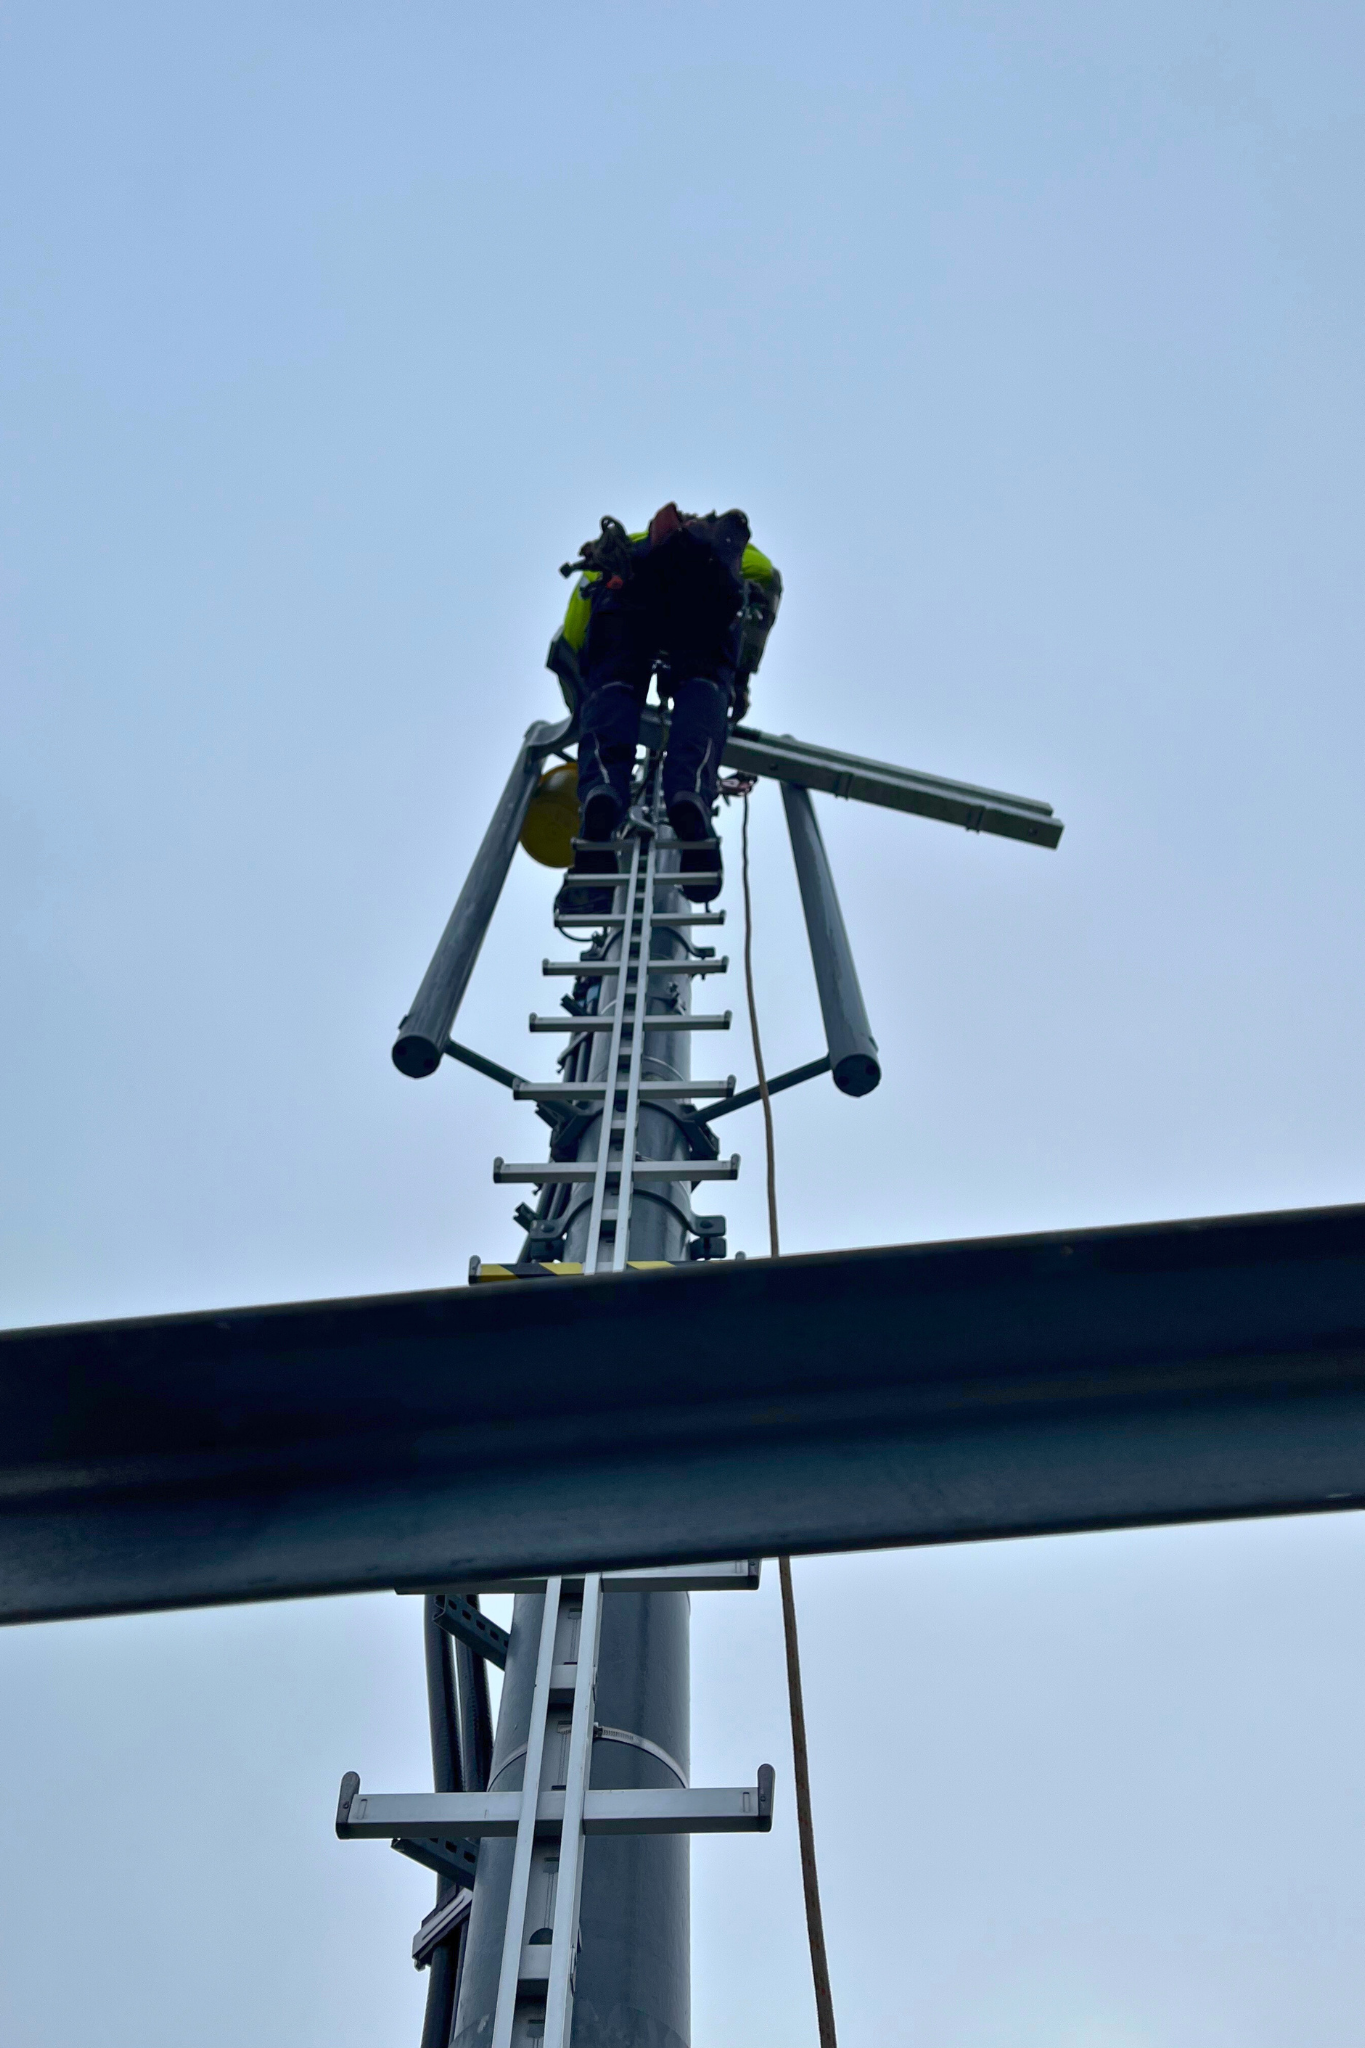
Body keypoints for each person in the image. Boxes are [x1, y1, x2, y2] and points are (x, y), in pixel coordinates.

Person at [547, 504, 781, 903]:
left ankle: (602, 791)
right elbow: (766, 581)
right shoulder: (729, 553)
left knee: (613, 686)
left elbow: (573, 637)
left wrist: (585, 703)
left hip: (624, 604)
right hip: (705, 607)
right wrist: (739, 678)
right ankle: (689, 795)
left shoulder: (625, 549)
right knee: (703, 690)